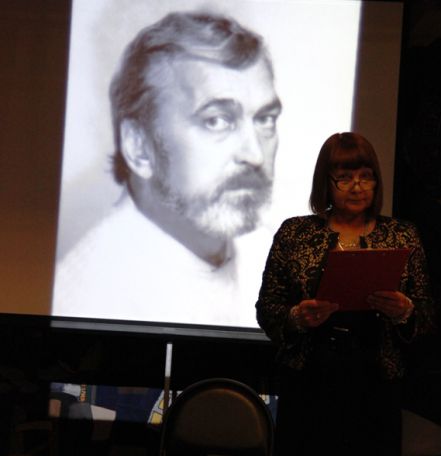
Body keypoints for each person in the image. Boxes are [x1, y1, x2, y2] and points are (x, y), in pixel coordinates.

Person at [53, 10, 282, 327]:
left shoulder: (265, 252)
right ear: (139, 147)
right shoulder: (88, 297)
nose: (254, 155)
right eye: (216, 121)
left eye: (265, 120)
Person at [256, 132, 435, 456]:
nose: (357, 187)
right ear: (326, 182)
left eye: (366, 177)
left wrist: (405, 312)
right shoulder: (295, 233)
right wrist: (297, 316)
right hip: (310, 382)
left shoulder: (402, 235)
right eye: (345, 177)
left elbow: (427, 316)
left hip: (376, 384)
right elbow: (268, 307)